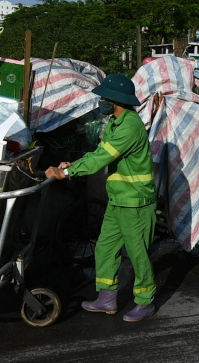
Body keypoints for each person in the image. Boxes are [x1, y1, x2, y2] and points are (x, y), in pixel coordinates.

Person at [45, 73, 158, 323]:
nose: (101, 102)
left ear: (116, 100)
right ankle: (107, 297)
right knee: (105, 248)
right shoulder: (116, 123)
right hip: (119, 200)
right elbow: (99, 152)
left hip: (136, 202)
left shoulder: (129, 126)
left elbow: (100, 160)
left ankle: (146, 301)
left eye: (104, 98)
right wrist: (73, 164)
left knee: (138, 254)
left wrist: (65, 172)